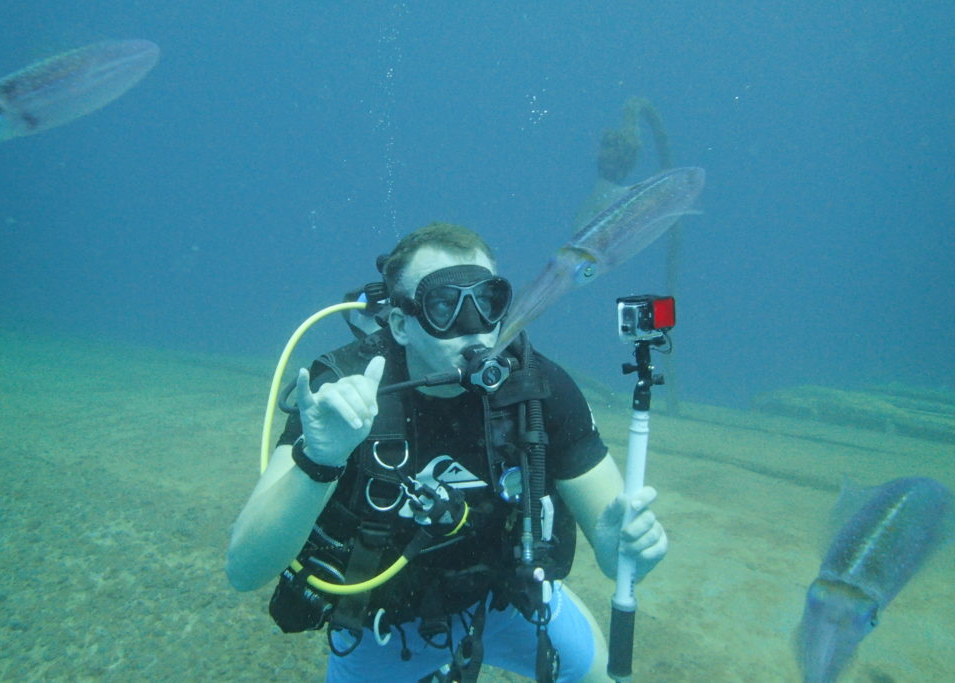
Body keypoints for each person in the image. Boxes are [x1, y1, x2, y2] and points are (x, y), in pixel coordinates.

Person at [226, 222, 668, 682]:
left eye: (489, 301)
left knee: (600, 677)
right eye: (444, 305)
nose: (475, 329)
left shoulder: (538, 390)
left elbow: (617, 554)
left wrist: (629, 550)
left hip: (508, 602)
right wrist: (320, 459)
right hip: (387, 632)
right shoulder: (342, 396)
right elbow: (244, 570)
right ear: (400, 324)